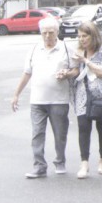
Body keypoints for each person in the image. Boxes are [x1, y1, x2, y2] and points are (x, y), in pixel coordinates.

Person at [11, 16, 75, 179]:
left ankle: (60, 161)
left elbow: (76, 70)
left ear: (57, 32)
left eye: (51, 33)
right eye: (44, 33)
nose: (47, 36)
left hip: (59, 100)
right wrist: (16, 94)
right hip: (37, 100)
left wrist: (67, 74)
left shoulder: (66, 49)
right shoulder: (34, 49)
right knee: (37, 134)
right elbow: (27, 73)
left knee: (60, 133)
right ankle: (39, 166)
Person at [70, 22, 102, 179]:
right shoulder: (78, 51)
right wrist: (67, 73)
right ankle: (84, 163)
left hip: (101, 95)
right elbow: (76, 71)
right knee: (83, 127)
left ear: (93, 36)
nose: (82, 39)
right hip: (83, 95)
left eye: (85, 36)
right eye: (79, 36)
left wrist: (86, 61)